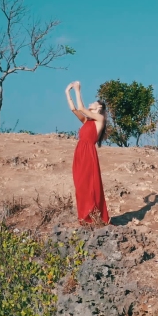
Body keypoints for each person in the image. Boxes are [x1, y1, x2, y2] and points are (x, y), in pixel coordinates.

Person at [65, 81, 110, 224]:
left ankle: (92, 216)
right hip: (79, 152)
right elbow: (74, 109)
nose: (91, 103)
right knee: (80, 184)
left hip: (88, 152)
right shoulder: (87, 121)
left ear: (100, 107)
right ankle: (84, 215)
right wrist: (68, 92)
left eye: (94, 102)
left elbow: (81, 107)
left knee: (89, 184)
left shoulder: (100, 119)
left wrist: (78, 90)